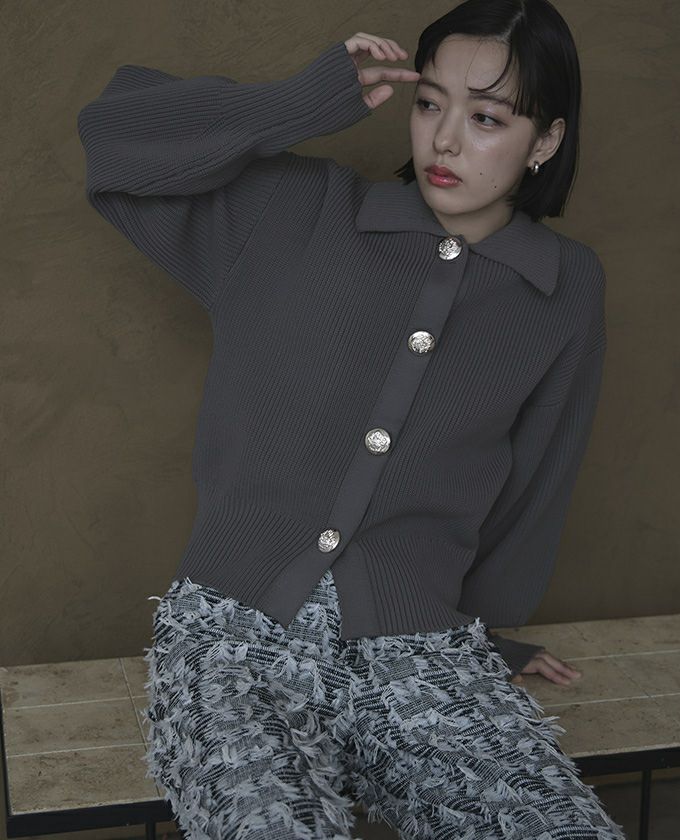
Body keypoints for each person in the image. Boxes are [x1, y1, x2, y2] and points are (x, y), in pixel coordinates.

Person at [77, 0, 626, 837]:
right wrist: (297, 101)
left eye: (486, 118)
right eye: (430, 103)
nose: (445, 141)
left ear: (545, 139)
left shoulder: (564, 287)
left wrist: (483, 636)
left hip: (421, 647)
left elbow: (535, 478)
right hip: (231, 640)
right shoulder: (295, 212)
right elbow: (114, 137)